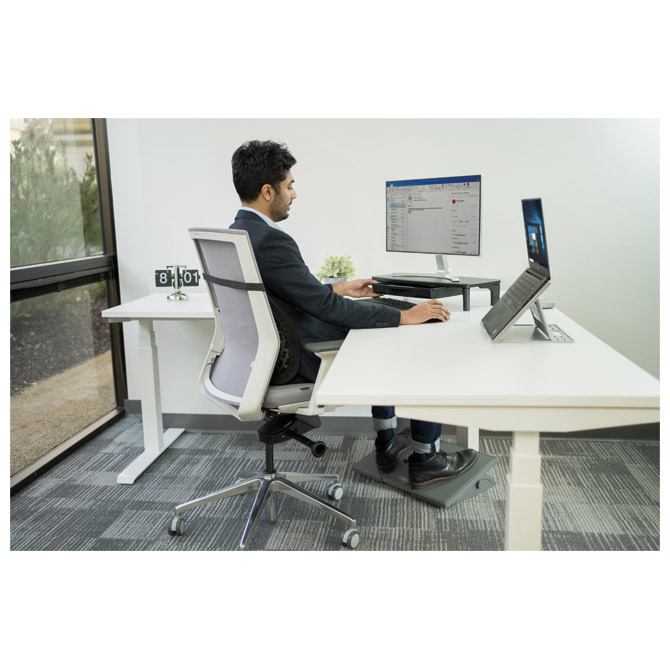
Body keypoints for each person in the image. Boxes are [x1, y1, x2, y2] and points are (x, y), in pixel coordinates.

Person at [229, 140, 477, 486]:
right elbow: (323, 307)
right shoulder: (272, 240)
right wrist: (404, 316)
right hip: (301, 359)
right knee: (414, 337)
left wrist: (341, 288)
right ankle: (427, 458)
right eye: (289, 186)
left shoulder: (239, 234)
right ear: (268, 191)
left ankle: (387, 443)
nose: (294, 194)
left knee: (380, 329)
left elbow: (287, 294)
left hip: (265, 359)